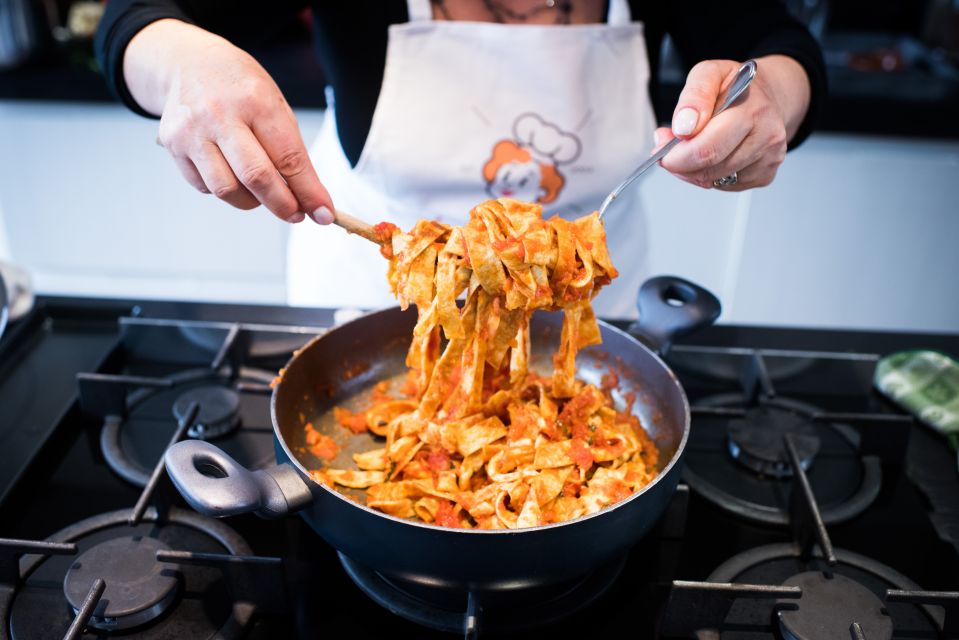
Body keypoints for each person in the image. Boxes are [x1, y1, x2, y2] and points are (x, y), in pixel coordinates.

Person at [96, 0, 824, 316]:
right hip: (367, 295)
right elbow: (135, 21)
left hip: (589, 304)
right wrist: (179, 62)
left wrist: (772, 103)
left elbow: (777, 43)